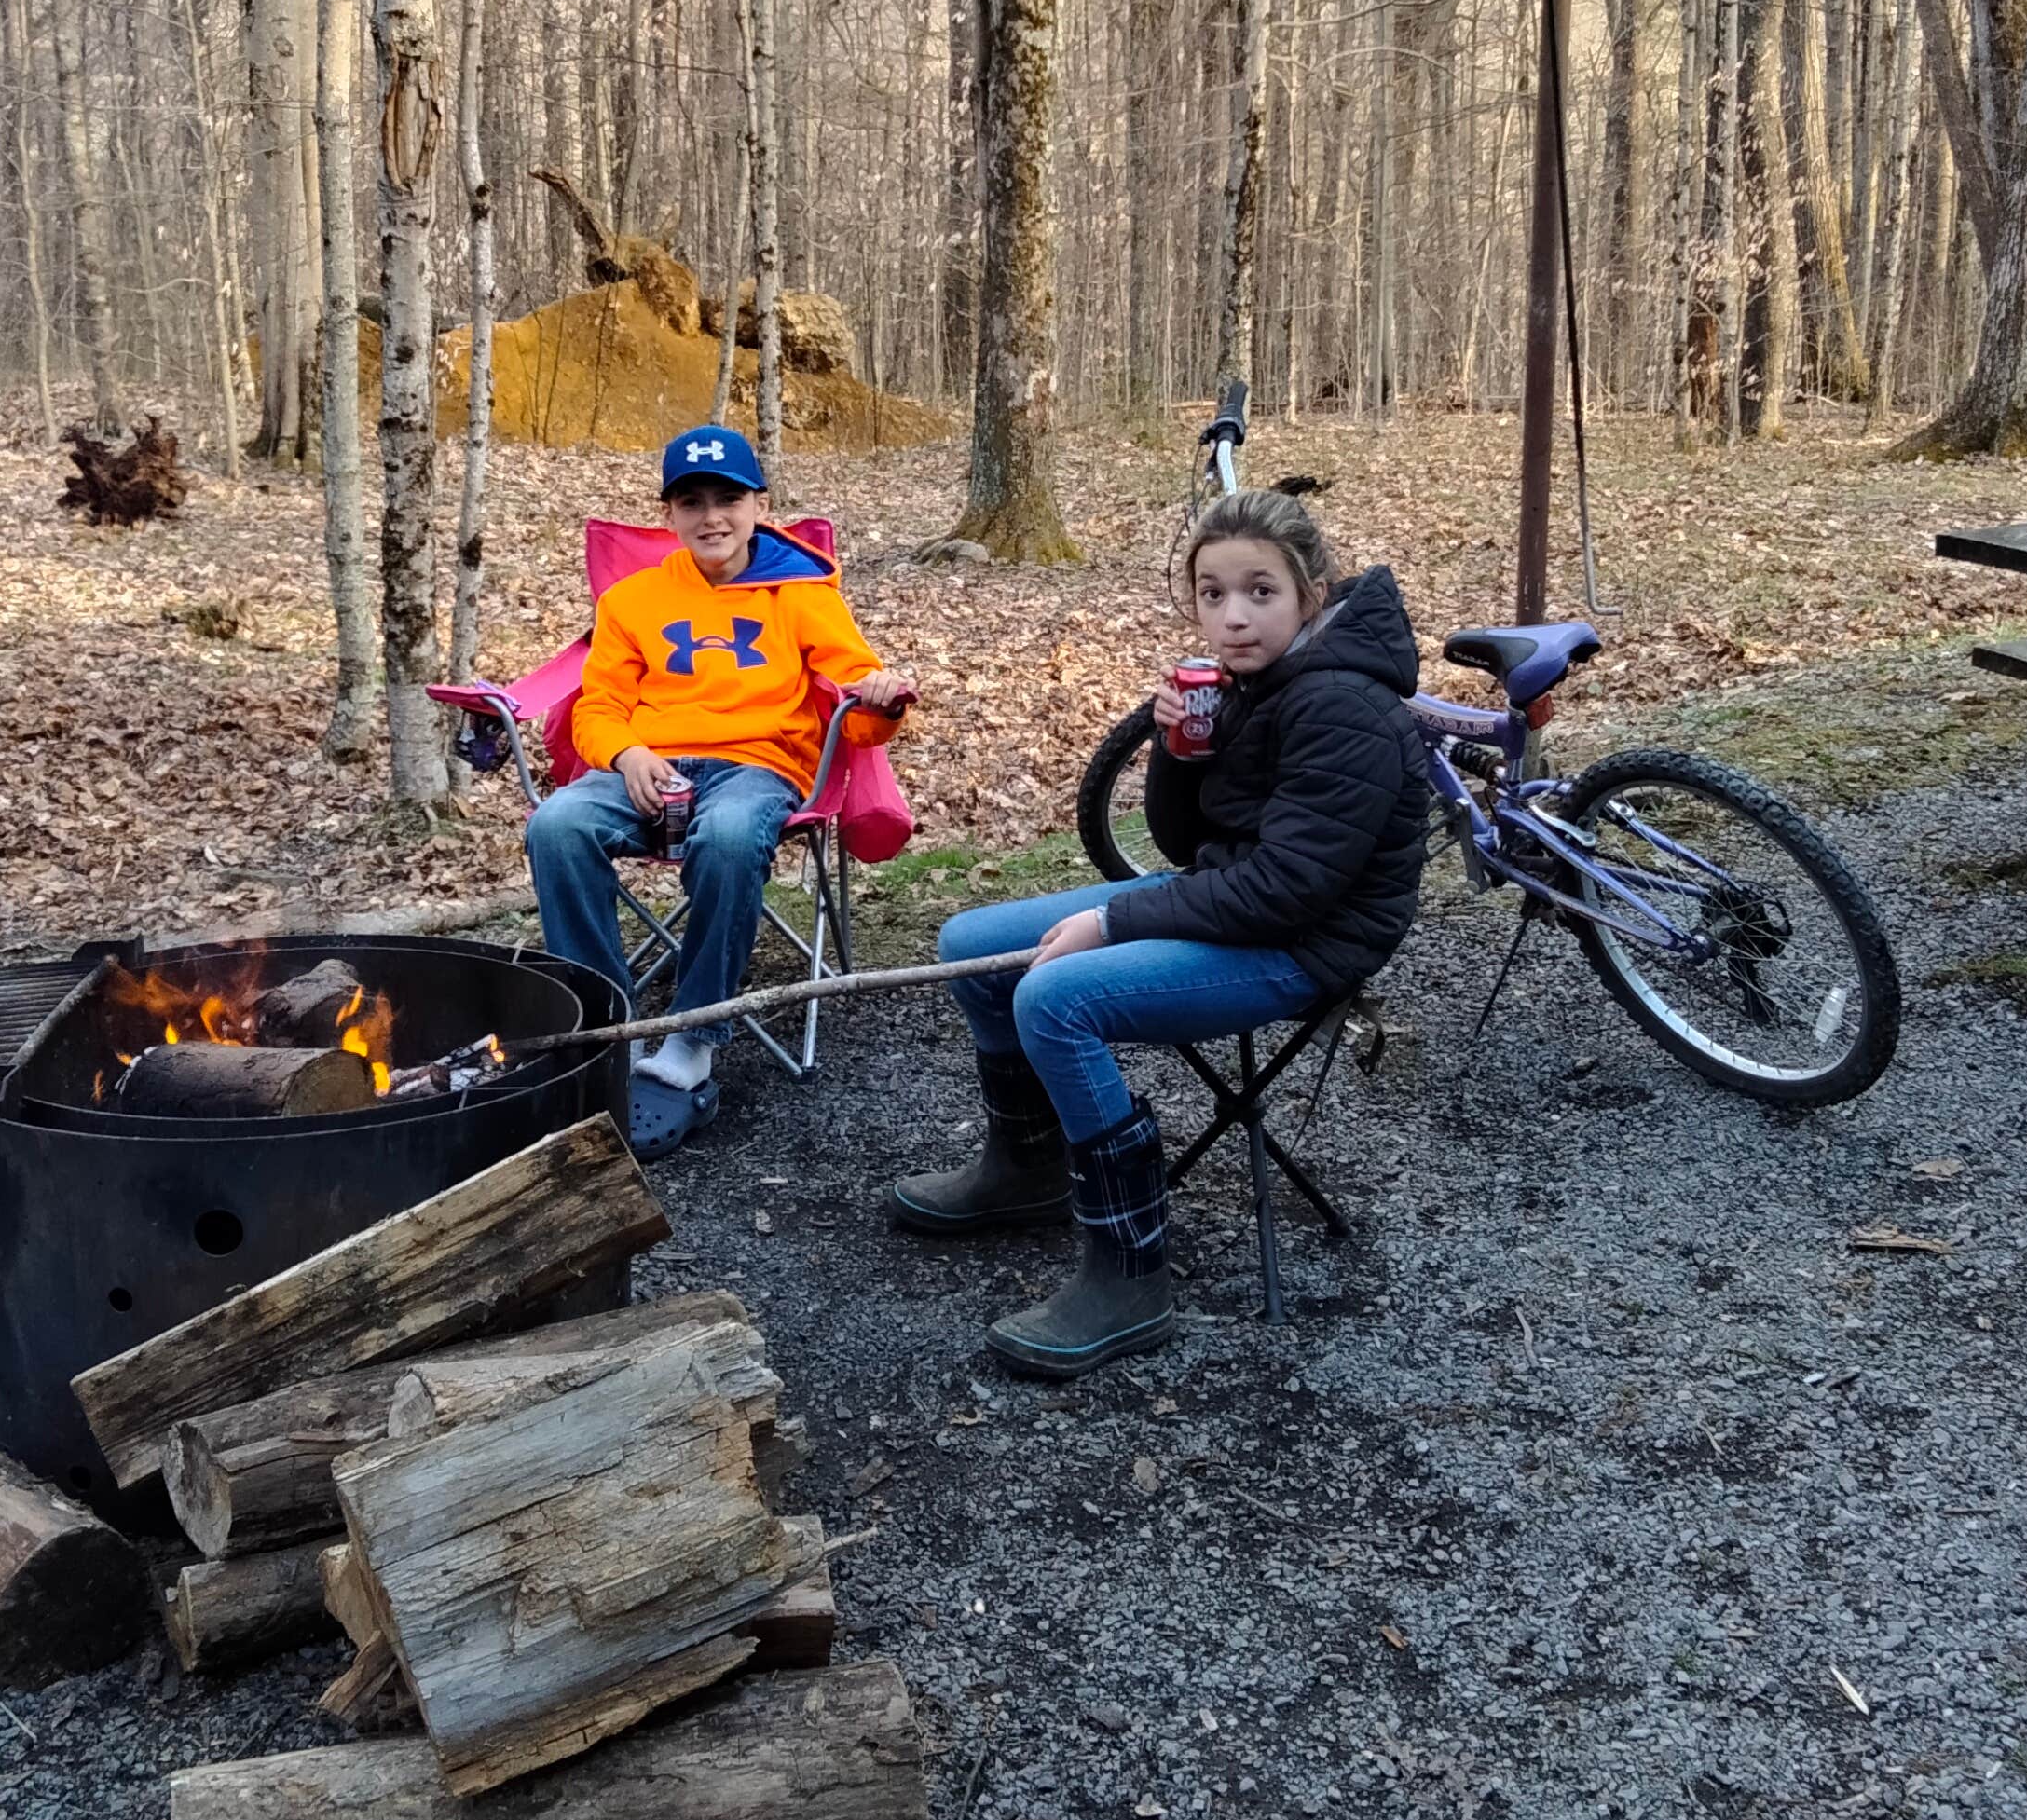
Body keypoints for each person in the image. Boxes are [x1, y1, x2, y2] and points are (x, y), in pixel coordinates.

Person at [889, 488, 1425, 1375]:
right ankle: (1024, 1169)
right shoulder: (1260, 684)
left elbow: (1286, 889)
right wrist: (1179, 754)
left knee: (1055, 996)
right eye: (1211, 594)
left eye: (1260, 592)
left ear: (1313, 596)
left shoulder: (1344, 708)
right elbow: (1187, 845)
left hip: (1304, 944)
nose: (1233, 617)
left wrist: (1111, 919)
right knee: (973, 944)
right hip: (1242, 904)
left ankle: (1130, 1274)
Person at [529, 424, 913, 1157]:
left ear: (758, 504)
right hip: (648, 767)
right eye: (692, 501)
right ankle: (608, 1025)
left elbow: (853, 711)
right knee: (557, 825)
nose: (711, 517)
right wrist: (628, 752)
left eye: (728, 499)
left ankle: (693, 1036)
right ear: (667, 515)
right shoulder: (633, 600)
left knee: (732, 838)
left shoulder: (802, 593)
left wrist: (883, 702)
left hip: (757, 767)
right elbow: (597, 708)